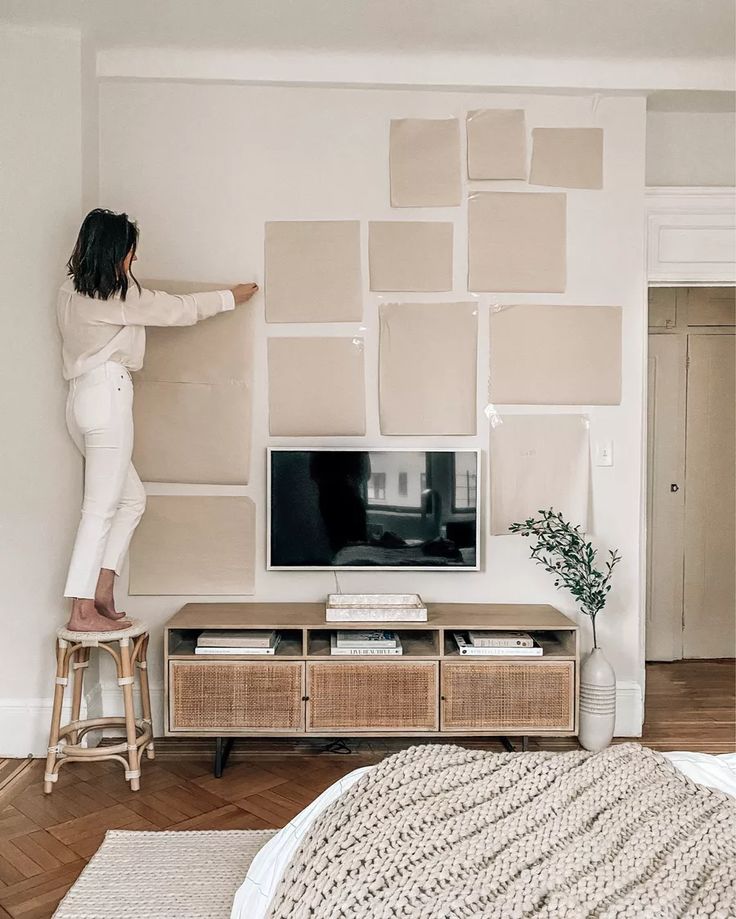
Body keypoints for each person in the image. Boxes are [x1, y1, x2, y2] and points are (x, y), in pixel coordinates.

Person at [58, 208, 258, 632]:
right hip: (107, 396)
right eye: (131, 252)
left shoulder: (69, 292)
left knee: (131, 500)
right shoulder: (114, 295)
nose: (133, 262)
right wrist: (231, 297)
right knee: (100, 508)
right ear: (117, 251)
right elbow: (178, 310)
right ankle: (81, 611)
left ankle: (102, 588)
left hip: (80, 399)